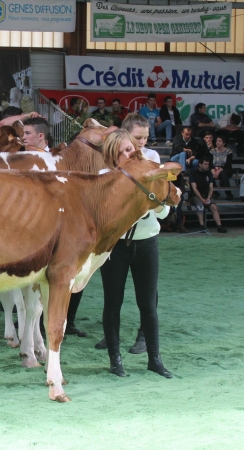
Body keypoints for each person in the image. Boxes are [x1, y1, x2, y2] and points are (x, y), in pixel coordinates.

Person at [98, 119, 172, 379]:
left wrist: (154, 203)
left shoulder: (150, 168)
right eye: (125, 149)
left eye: (133, 147)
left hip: (147, 242)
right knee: (112, 303)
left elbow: (165, 211)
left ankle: (155, 359)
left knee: (148, 305)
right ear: (113, 153)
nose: (133, 151)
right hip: (115, 247)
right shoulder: (102, 177)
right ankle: (115, 360)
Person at [190, 156, 227, 233]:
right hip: (196, 195)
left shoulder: (209, 173)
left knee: (214, 207)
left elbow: (211, 187)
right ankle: (202, 225)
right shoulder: (193, 173)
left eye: (208, 164)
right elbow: (194, 188)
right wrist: (202, 199)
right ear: (200, 164)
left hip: (207, 195)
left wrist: (208, 198)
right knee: (200, 206)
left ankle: (219, 226)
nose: (207, 166)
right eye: (205, 164)